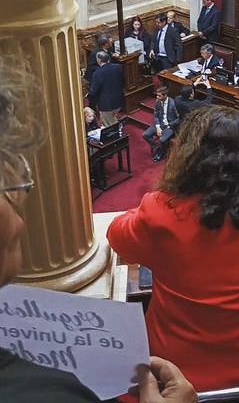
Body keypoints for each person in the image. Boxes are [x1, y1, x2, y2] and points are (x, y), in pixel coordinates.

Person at [0, 60, 196, 403]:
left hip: (174, 345)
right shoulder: (52, 394)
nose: (22, 197)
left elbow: (119, 236)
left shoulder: (159, 209)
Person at [107, 105, 239, 392]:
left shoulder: (159, 211)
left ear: (187, 158)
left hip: (176, 373)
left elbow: (117, 237)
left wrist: (161, 199)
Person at [87, 51, 124, 127]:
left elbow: (93, 91)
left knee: (109, 125)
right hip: (118, 100)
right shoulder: (118, 67)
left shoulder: (97, 73)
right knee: (113, 118)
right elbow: (123, 82)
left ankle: (118, 135)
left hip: (106, 105)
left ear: (99, 60)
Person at [143, 86, 179, 162]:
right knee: (145, 134)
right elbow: (155, 115)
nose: (157, 97)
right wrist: (158, 126)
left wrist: (169, 125)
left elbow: (179, 118)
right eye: (157, 95)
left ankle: (161, 153)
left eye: (159, 96)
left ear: (165, 95)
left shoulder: (173, 103)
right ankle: (158, 148)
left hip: (170, 126)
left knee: (162, 140)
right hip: (160, 124)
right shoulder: (158, 101)